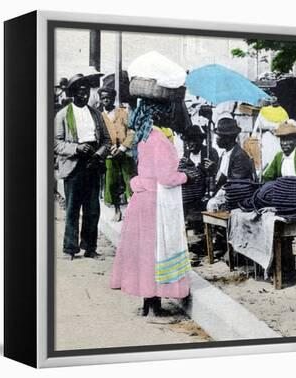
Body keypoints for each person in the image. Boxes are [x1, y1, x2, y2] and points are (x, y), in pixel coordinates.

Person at [110, 99, 197, 316]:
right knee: (157, 251)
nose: (171, 117)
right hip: (154, 203)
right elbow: (167, 178)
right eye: (167, 113)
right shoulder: (159, 140)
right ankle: (155, 305)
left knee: (144, 253)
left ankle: (148, 303)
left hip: (141, 200)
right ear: (159, 116)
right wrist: (188, 176)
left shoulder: (144, 137)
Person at [54, 73, 111, 259]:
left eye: (86, 92)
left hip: (93, 163)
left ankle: (90, 247)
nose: (84, 96)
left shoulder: (95, 114)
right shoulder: (63, 115)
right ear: (72, 93)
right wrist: (77, 148)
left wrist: (99, 153)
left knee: (93, 209)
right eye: (80, 93)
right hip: (74, 165)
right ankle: (70, 248)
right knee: (72, 208)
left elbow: (106, 140)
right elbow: (56, 143)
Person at [99, 87, 136, 222]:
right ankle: (117, 210)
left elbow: (132, 131)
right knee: (112, 182)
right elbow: (99, 136)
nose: (106, 100)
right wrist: (109, 148)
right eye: (103, 98)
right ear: (100, 99)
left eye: (108, 97)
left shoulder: (123, 113)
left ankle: (132, 210)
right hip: (109, 154)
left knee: (130, 180)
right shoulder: (99, 116)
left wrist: (123, 147)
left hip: (125, 153)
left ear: (113, 98)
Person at [206, 117, 255, 211]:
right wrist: (214, 169)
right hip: (225, 193)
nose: (216, 139)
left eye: (219, 136)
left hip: (237, 198)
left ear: (228, 138)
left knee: (211, 205)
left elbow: (235, 184)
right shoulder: (224, 154)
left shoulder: (240, 156)